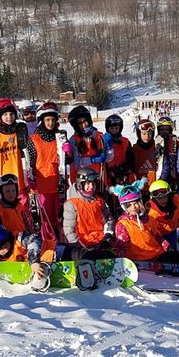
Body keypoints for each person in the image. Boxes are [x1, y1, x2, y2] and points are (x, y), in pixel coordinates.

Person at [27, 102, 68, 242]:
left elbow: (67, 161)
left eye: (53, 120)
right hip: (42, 185)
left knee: (60, 214)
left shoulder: (60, 137)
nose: (50, 123)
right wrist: (30, 179)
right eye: (47, 120)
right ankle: (49, 243)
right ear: (42, 121)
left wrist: (68, 153)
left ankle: (62, 241)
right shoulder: (33, 140)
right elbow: (29, 162)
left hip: (59, 184)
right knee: (46, 217)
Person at [111, 179, 170, 261]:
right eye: (129, 205)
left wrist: (164, 244)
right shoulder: (123, 224)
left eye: (135, 203)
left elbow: (156, 236)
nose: (134, 207)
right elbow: (122, 245)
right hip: (137, 260)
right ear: (124, 207)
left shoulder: (149, 219)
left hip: (156, 255)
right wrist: (120, 259)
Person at [62, 167, 115, 255]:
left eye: (93, 184)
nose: (91, 186)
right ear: (80, 184)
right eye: (87, 184)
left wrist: (108, 235)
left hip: (100, 241)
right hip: (82, 245)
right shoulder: (71, 204)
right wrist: (77, 245)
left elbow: (109, 219)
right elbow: (69, 229)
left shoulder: (99, 201)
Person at [68, 105, 113, 186]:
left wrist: (110, 148)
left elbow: (108, 159)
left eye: (85, 121)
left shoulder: (99, 136)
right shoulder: (74, 140)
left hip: (100, 179)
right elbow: (77, 164)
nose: (84, 125)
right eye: (80, 123)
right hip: (84, 182)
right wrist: (93, 159)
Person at [147, 179, 179, 251]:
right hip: (165, 233)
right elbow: (152, 233)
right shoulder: (153, 214)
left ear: (169, 195)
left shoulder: (177, 199)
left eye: (164, 196)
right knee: (169, 251)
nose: (162, 201)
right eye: (159, 198)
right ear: (154, 199)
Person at [104, 114, 134, 186]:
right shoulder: (103, 141)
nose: (114, 131)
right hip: (108, 174)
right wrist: (108, 171)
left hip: (122, 173)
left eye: (116, 128)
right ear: (108, 128)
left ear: (120, 129)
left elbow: (130, 158)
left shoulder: (125, 141)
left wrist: (126, 170)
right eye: (111, 128)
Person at [132, 119, 159, 187]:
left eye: (149, 134)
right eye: (144, 134)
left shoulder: (157, 148)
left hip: (155, 187)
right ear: (139, 134)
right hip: (139, 187)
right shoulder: (134, 149)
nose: (147, 137)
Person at [155, 116, 179, 188]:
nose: (164, 132)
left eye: (167, 130)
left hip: (173, 173)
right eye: (162, 130)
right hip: (160, 174)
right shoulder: (156, 141)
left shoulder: (174, 141)